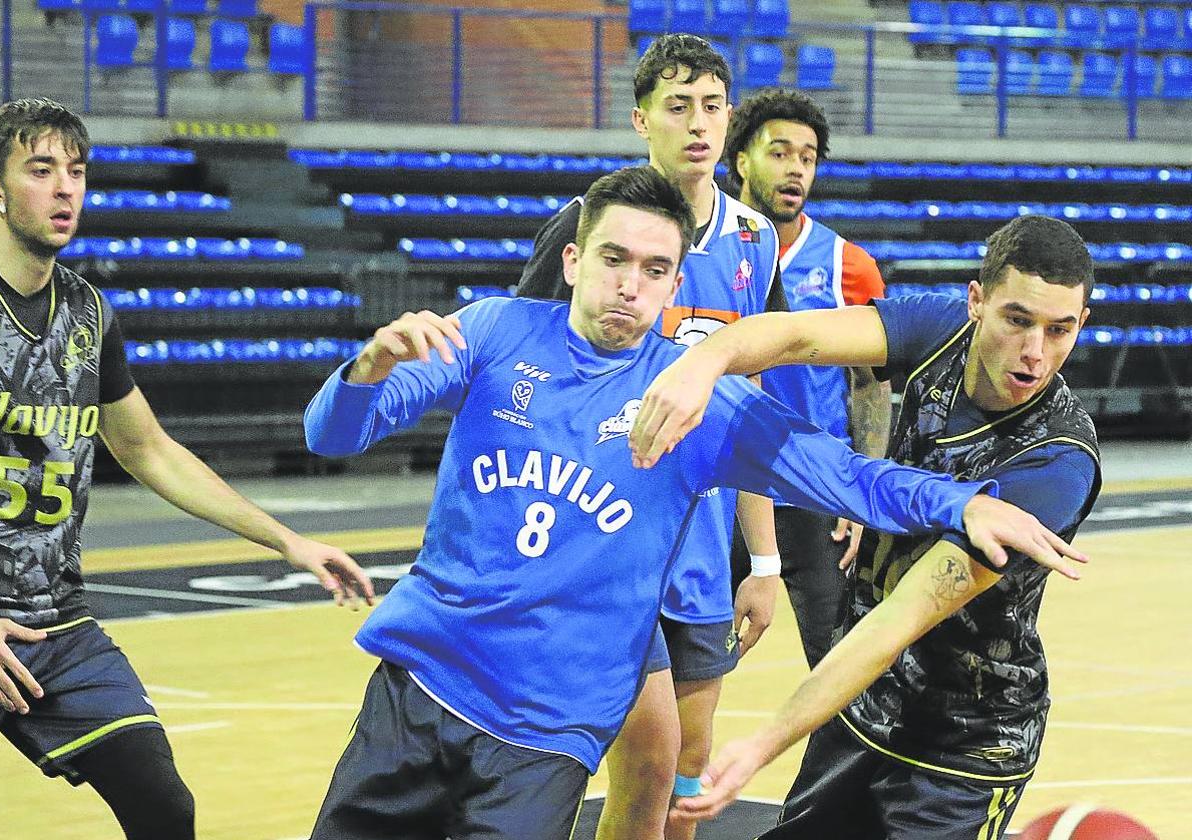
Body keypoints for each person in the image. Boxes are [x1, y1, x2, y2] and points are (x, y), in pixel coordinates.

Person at [302, 167, 1084, 840]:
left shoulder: (702, 404)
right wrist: (364, 372)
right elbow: (333, 437)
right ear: (573, 261)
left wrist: (959, 504)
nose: (628, 285)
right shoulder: (491, 332)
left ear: (676, 284)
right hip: (418, 686)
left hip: (545, 733)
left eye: (652, 269)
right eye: (612, 259)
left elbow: (847, 477)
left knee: (654, 770)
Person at [629, 214, 1100, 839]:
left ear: (1081, 325)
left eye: (1059, 330)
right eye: (1017, 320)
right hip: (863, 704)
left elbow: (901, 619)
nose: (1035, 352)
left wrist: (762, 744)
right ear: (977, 302)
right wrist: (706, 360)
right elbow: (795, 337)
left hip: (964, 749)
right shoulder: (939, 331)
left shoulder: (1057, 460)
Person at [0, 98, 374, 840]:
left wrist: (288, 542)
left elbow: (148, 449)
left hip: (53, 625)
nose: (65, 188)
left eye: (76, 171)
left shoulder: (88, 314)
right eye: (40, 171)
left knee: (166, 810)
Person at [517, 34, 787, 839]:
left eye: (711, 106)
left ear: (731, 118)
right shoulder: (591, 227)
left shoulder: (756, 240)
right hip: (598, 535)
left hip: (700, 546)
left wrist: (765, 560)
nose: (697, 125)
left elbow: (753, 406)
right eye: (677, 107)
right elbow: (522, 368)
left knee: (689, 762)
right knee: (641, 745)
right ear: (642, 120)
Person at [726, 88, 891, 668]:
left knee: (842, 666)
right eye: (779, 152)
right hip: (722, 488)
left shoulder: (849, 265)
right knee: (683, 663)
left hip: (813, 486)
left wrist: (861, 487)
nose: (796, 167)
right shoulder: (703, 249)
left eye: (808, 155)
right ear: (740, 159)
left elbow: (872, 386)